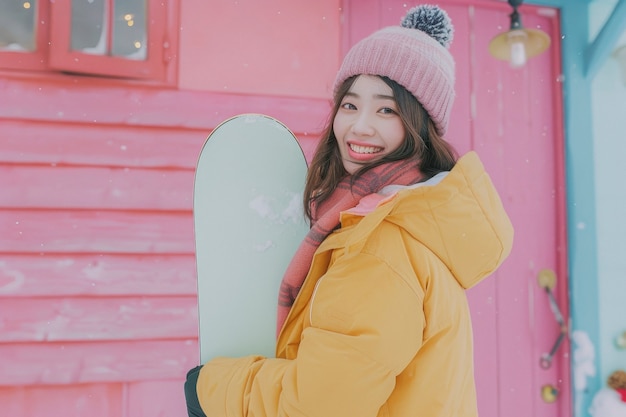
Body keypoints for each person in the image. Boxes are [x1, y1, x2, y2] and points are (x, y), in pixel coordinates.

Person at [185, 4, 514, 417]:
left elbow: (319, 405)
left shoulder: (379, 245)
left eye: (386, 109)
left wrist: (211, 389)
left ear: (420, 126)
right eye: (350, 104)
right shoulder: (417, 221)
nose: (359, 126)